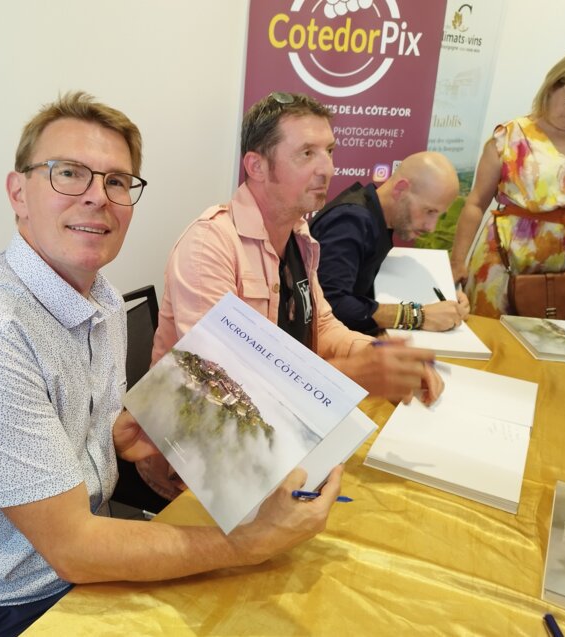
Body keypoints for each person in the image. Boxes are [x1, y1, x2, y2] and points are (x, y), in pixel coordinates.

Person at [0, 92, 345, 637]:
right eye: (68, 174)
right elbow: (75, 548)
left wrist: (115, 438)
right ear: (18, 193)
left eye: (116, 182)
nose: (96, 197)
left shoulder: (101, 298)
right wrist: (250, 543)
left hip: (76, 579)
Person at [139, 92, 443, 501]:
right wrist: (355, 375)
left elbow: (323, 326)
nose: (327, 168)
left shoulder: (299, 237)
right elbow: (221, 385)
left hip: (275, 442)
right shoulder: (209, 244)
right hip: (198, 465)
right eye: (307, 153)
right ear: (256, 166)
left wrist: (380, 355)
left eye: (329, 151)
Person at [450, 44, 565, 318]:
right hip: (504, 267)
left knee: (556, 343)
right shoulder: (511, 137)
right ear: (552, 87)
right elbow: (476, 203)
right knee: (493, 339)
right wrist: (458, 261)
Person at [309, 152, 469, 335]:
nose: (431, 227)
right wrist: (417, 316)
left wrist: (447, 295)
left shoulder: (373, 218)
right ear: (400, 189)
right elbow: (330, 304)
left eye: (438, 215)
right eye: (429, 211)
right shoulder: (351, 221)